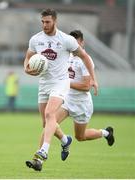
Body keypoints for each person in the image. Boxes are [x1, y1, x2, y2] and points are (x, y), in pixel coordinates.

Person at [24, 9, 98, 171]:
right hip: (44, 83)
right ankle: (65, 140)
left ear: (55, 21)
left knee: (50, 114)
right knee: (46, 122)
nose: (44, 25)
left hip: (61, 82)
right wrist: (26, 69)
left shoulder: (66, 40)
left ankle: (43, 152)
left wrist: (93, 78)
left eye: (48, 22)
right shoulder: (36, 39)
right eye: (42, 22)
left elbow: (85, 57)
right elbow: (28, 57)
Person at [53, 30, 115, 161]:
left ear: (82, 42)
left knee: (80, 137)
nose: (73, 45)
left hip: (81, 104)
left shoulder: (85, 60)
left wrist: (67, 83)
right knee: (50, 123)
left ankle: (106, 133)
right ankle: (64, 142)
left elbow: (86, 86)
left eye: (76, 42)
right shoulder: (68, 57)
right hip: (67, 100)